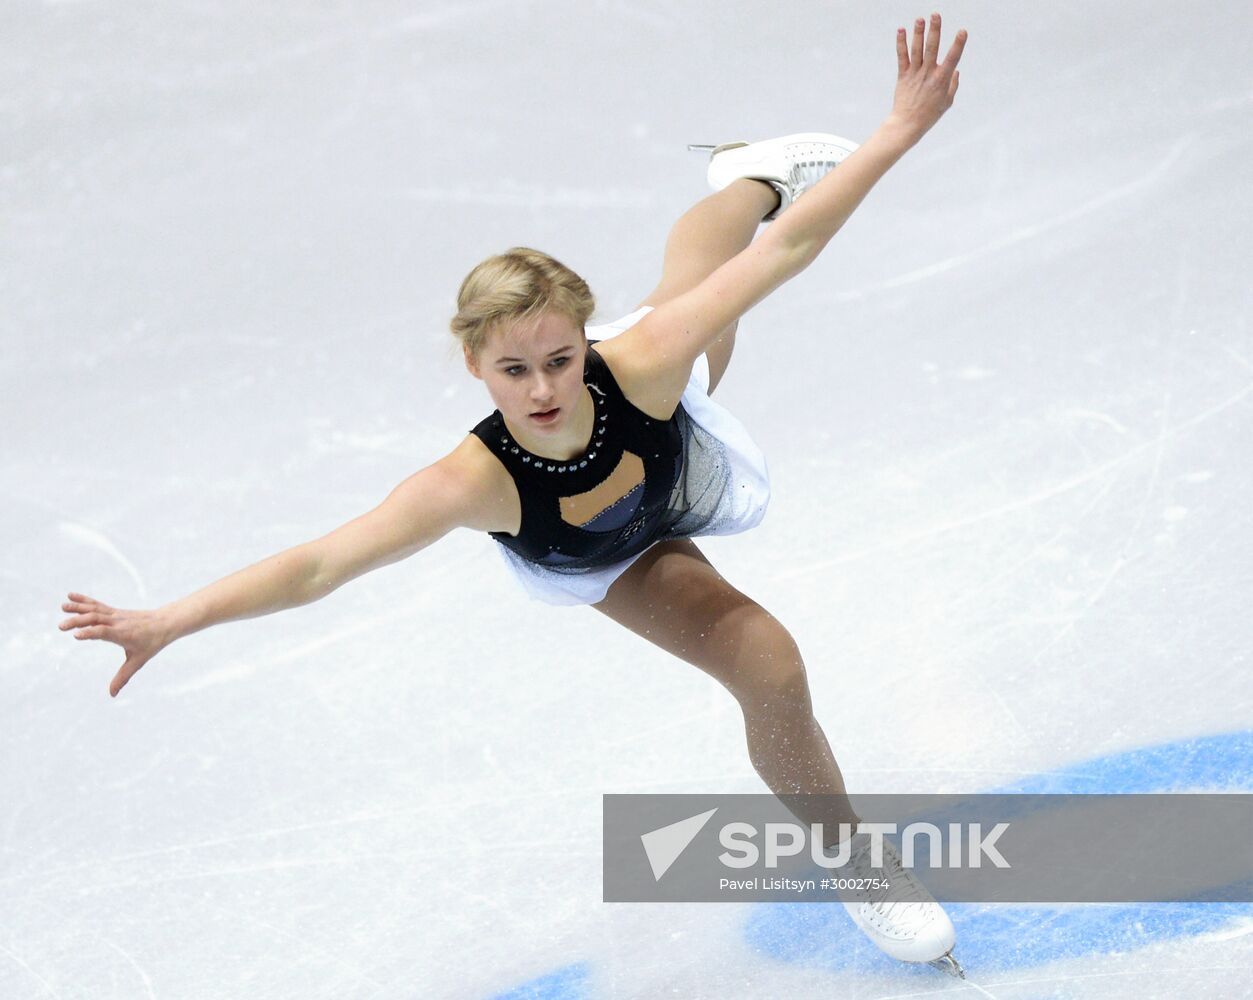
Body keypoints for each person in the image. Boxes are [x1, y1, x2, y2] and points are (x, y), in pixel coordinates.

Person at [59, 14, 969, 976]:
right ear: (473, 365)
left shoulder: (639, 362)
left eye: (559, 361)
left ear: (586, 343)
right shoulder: (472, 481)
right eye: (513, 370)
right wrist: (169, 620)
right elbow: (323, 563)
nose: (540, 392)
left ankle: (752, 171)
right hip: (605, 554)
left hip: (667, 434)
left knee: (699, 294)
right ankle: (855, 861)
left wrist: (895, 132)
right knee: (769, 663)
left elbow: (784, 255)